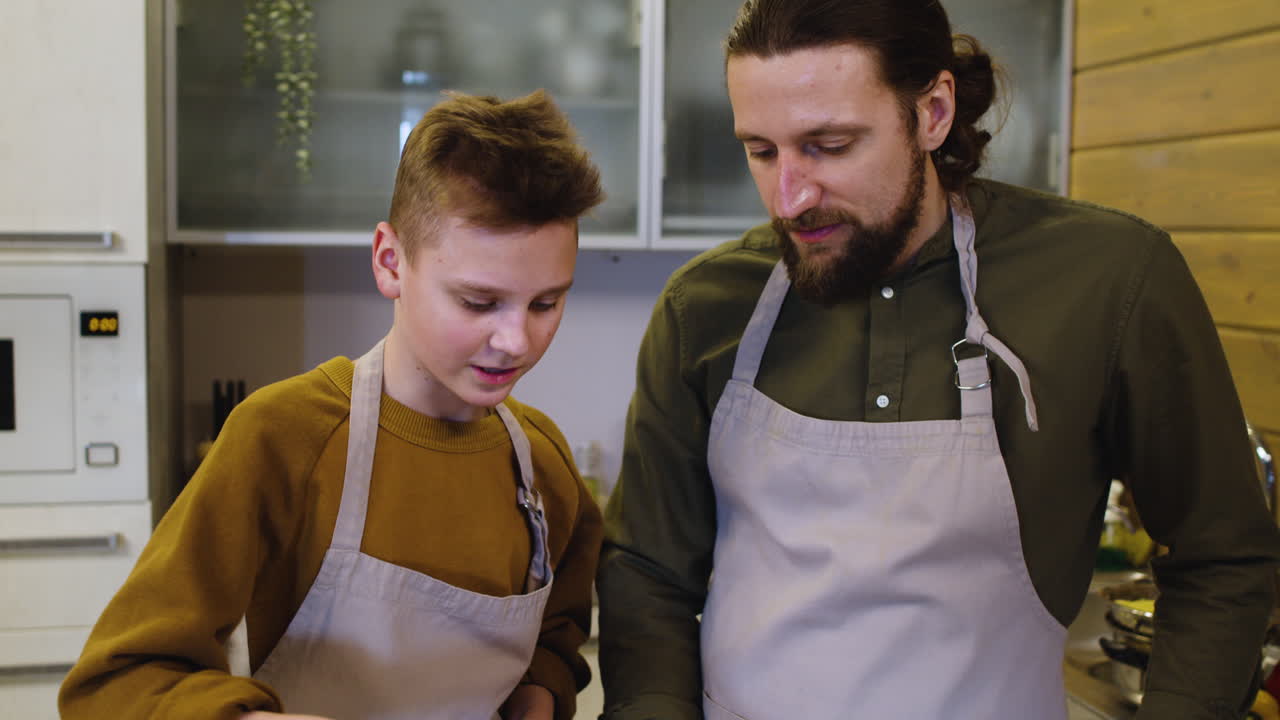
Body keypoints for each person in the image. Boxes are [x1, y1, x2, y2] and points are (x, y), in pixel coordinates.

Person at [596, 1, 1280, 718]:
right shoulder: (702, 308)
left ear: (933, 112)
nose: (789, 197)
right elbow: (648, 572)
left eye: (829, 145)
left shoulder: (1112, 282)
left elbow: (1221, 559)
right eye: (762, 151)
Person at [59, 90, 605, 720]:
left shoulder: (543, 464)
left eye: (546, 303)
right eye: (479, 303)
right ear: (390, 262)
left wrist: (538, 695)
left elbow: (557, 637)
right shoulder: (283, 437)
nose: (516, 341)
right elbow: (117, 682)